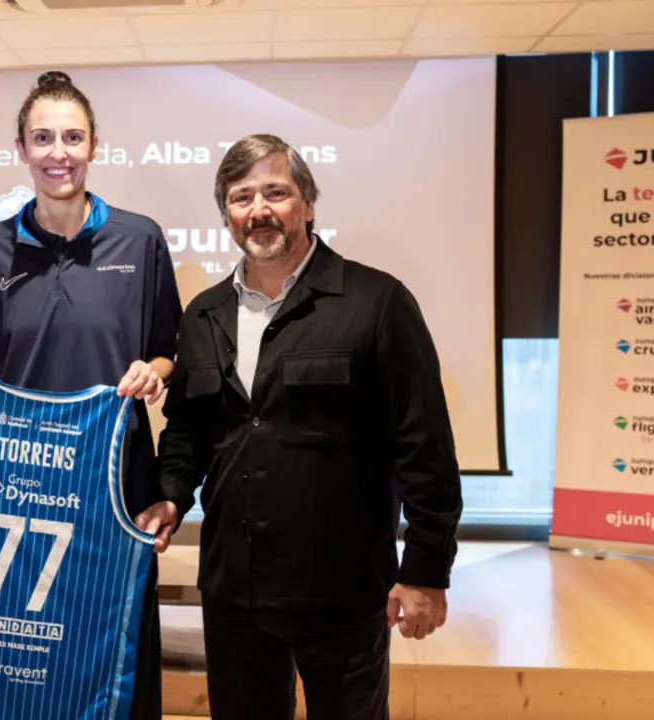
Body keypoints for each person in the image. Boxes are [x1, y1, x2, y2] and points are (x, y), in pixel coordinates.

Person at [151, 133, 463, 720]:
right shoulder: (204, 315)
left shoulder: (377, 303)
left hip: (341, 590)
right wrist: (169, 494)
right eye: (242, 197)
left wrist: (424, 570)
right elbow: (189, 432)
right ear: (226, 213)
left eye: (276, 192)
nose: (259, 211)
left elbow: (424, 446)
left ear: (308, 204)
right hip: (233, 589)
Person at [0, 70, 182, 719]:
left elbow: (167, 347)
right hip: (25, 486)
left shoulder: (141, 237)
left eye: (72, 136)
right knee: (31, 656)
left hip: (116, 479)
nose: (58, 152)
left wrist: (154, 372)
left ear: (95, 145)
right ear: (21, 148)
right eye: (42, 138)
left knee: (118, 652)